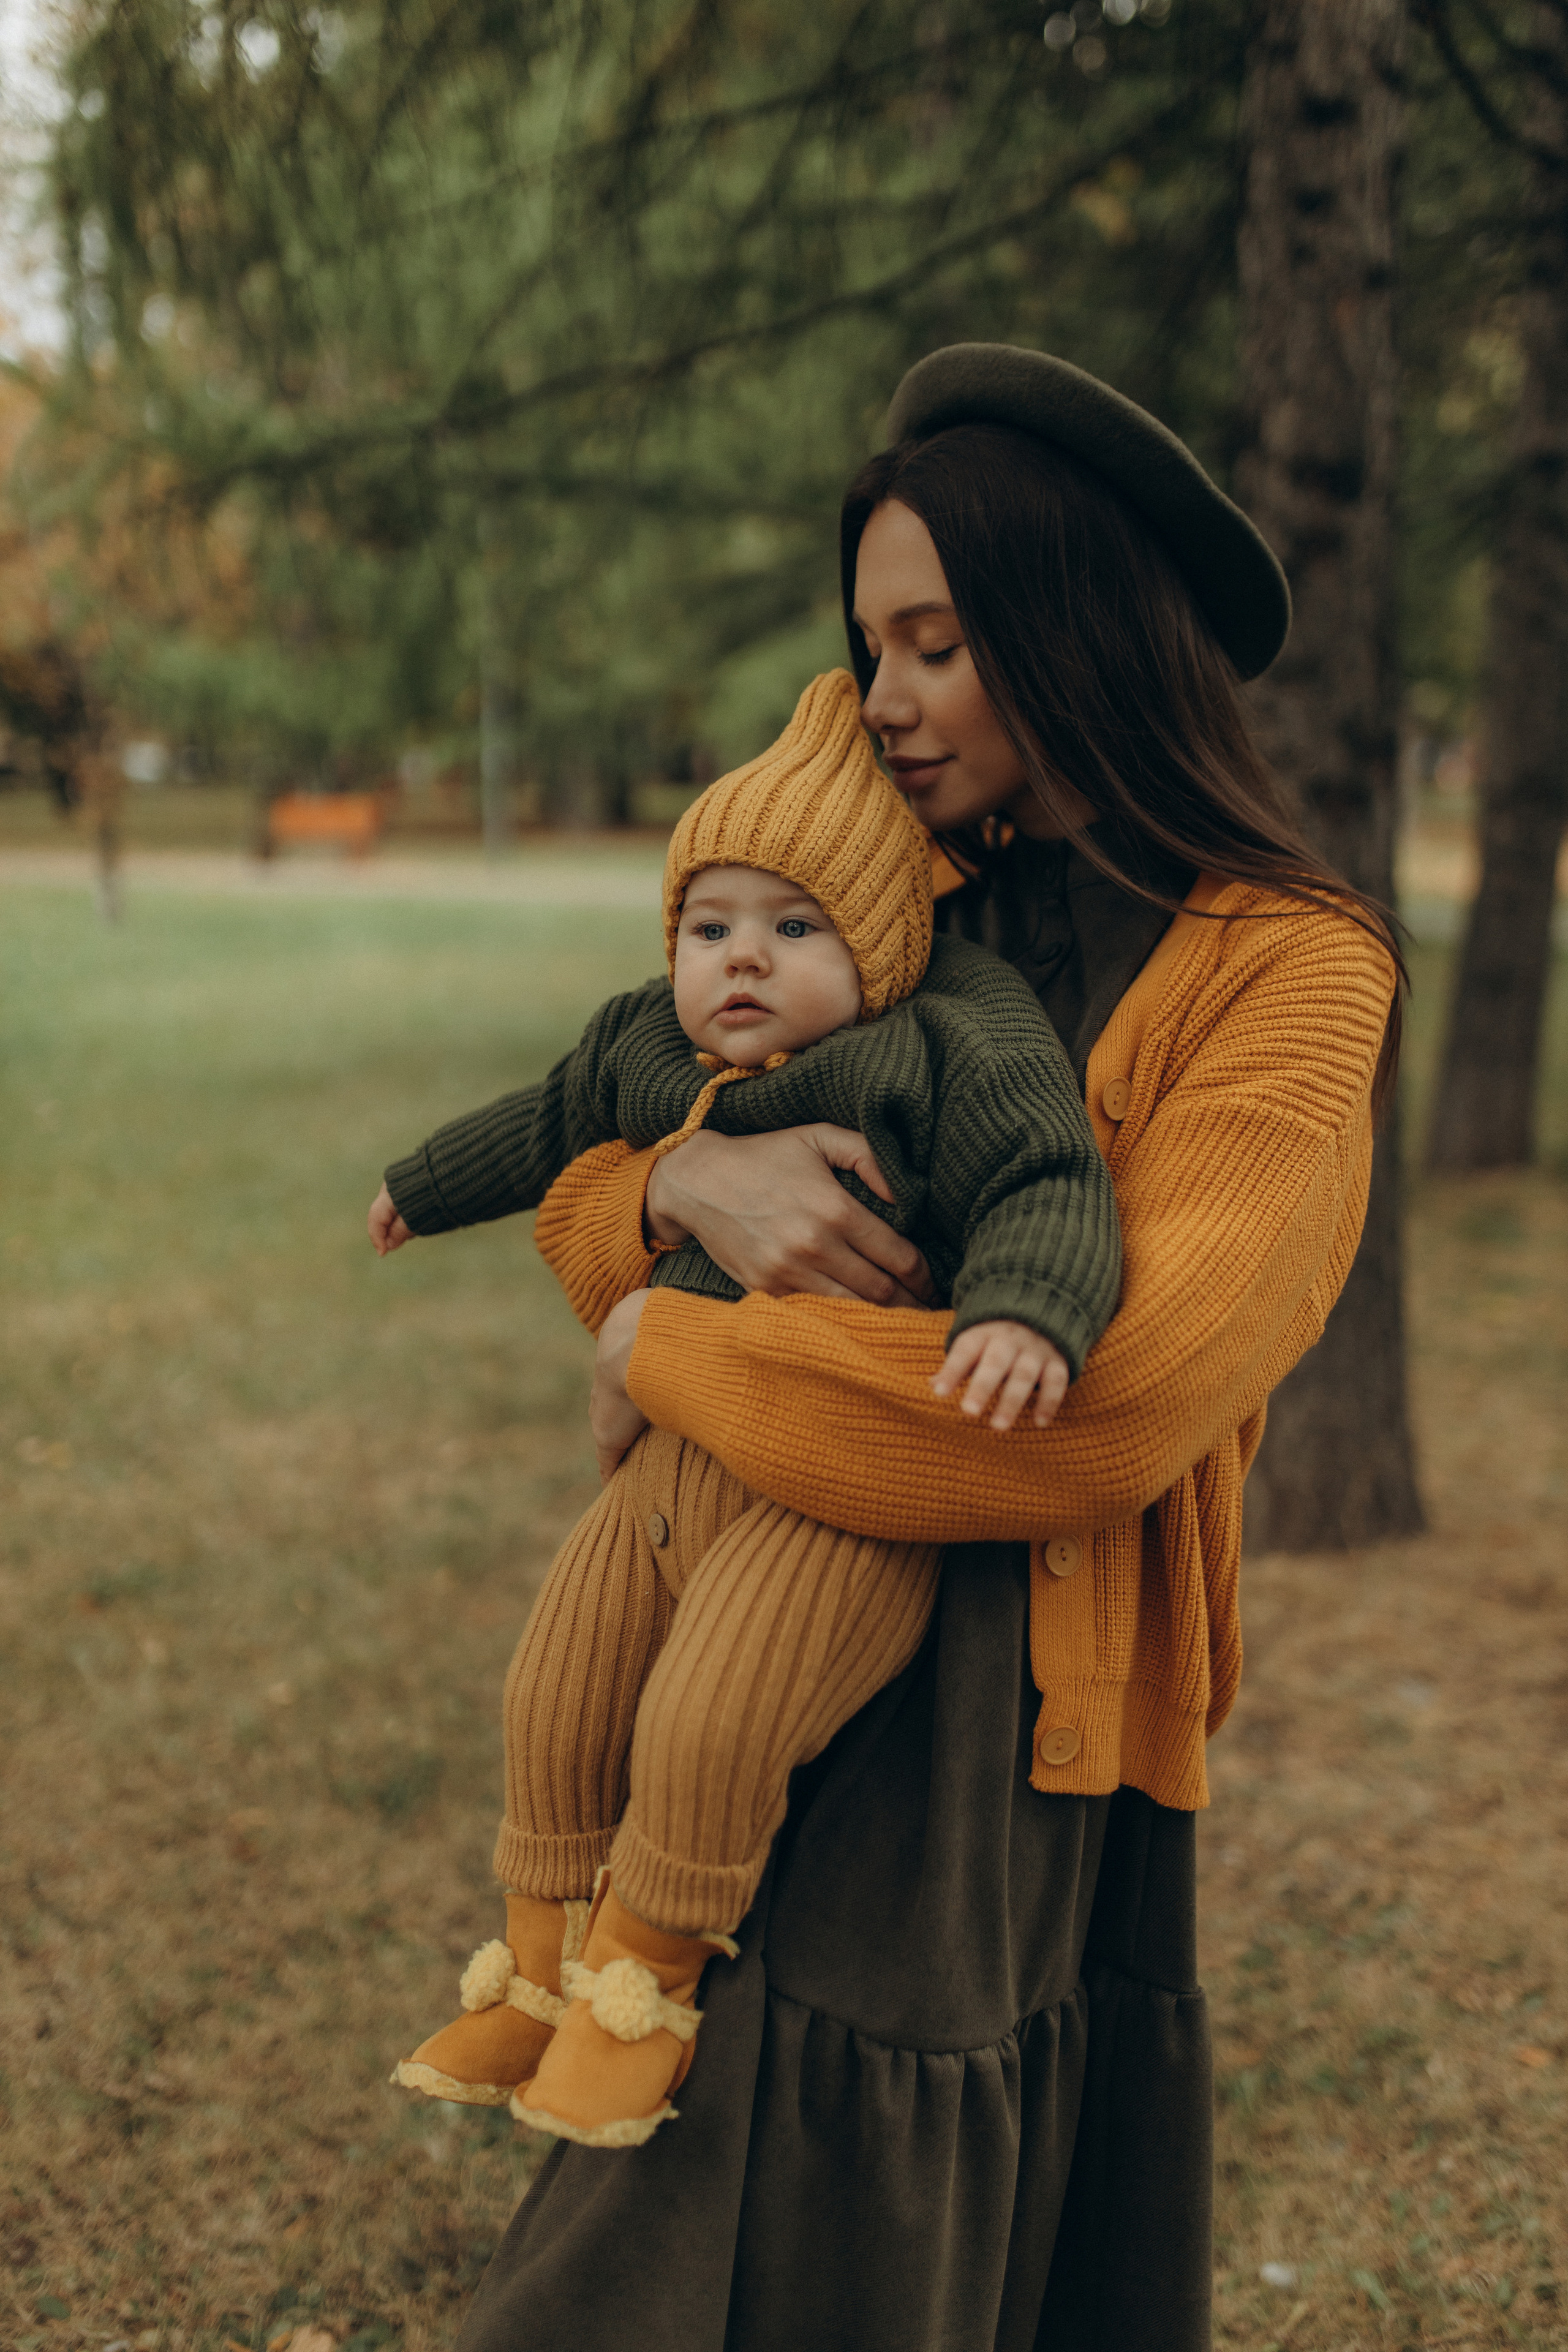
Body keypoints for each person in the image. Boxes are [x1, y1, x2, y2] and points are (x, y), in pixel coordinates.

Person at [450, 344, 1403, 2351]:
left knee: (876, 2233)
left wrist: (662, 1342)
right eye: (870, 643)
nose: (880, 699)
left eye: (937, 643)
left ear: (1073, 633)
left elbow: (1109, 1409)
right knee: (665, 2165)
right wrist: (684, 1207)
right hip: (749, 1599)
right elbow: (598, 1147)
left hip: (1016, 1699)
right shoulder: (887, 905)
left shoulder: (1290, 975)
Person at [371, 666, 1121, 2148]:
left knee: (712, 1722)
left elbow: (1048, 1176)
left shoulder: (946, 1039)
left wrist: (1029, 1309)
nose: (742, 962)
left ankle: (638, 1990)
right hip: (670, 1453)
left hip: (835, 1480)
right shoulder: (650, 1042)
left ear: (882, 940)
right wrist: (416, 1183)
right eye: (711, 928)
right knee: (556, 1692)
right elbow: (544, 1122)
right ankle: (533, 1968)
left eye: (794, 928)